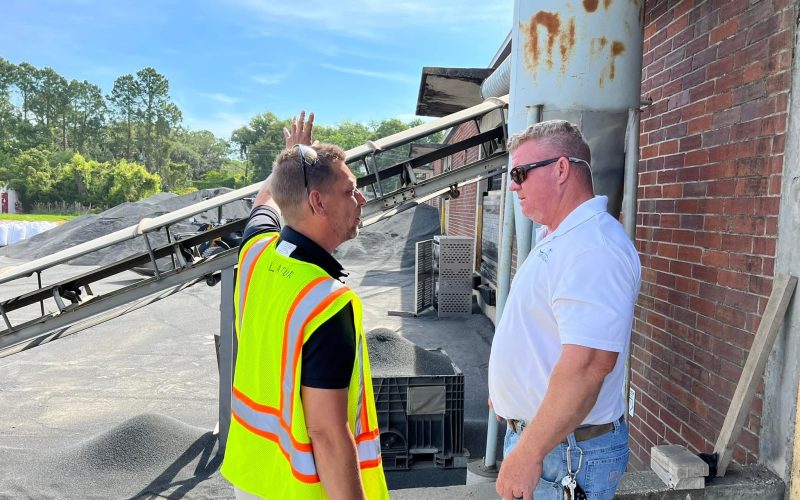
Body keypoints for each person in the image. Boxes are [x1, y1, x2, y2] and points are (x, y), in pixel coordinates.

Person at [220, 112, 389, 500]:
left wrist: (290, 159)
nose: (361, 200)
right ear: (318, 201)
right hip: (299, 490)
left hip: (251, 477)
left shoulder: (256, 255)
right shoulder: (326, 302)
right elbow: (327, 434)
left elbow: (267, 202)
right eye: (350, 191)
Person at [488, 120, 641, 500]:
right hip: (552, 445)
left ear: (561, 169)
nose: (512, 185)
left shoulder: (593, 248)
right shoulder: (565, 239)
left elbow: (589, 365)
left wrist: (529, 451)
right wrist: (510, 393)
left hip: (564, 455)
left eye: (520, 173)